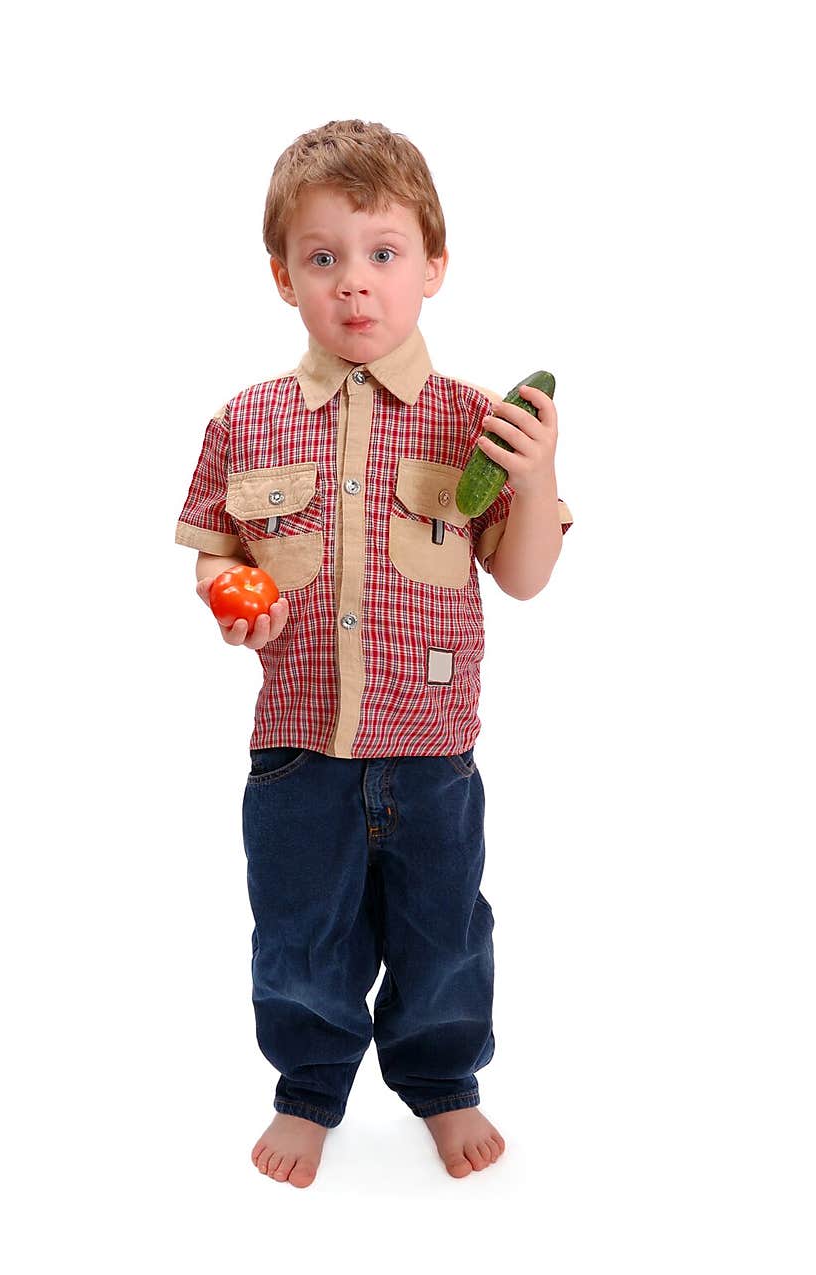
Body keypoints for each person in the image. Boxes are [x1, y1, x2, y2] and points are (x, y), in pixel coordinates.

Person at [176, 118, 573, 1187]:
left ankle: (442, 1080)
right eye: (323, 257)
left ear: (433, 267)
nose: (354, 284)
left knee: (444, 931)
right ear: (281, 276)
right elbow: (217, 555)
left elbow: (525, 576)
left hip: (432, 748)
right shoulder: (244, 422)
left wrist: (532, 483)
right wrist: (231, 603)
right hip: (299, 746)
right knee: (301, 933)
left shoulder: (476, 425)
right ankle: (310, 1084)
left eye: (383, 253)